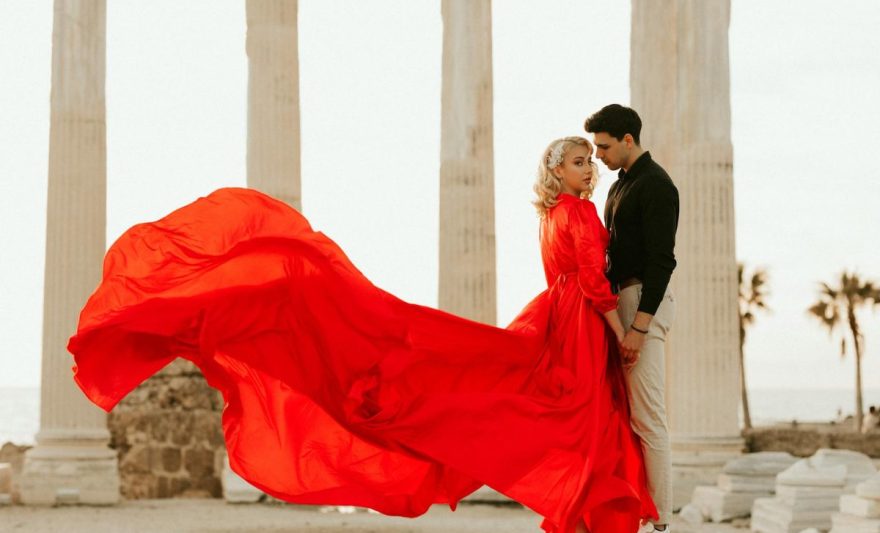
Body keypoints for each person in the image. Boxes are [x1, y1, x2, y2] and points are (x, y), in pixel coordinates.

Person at [68, 137, 656, 532]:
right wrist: (622, 332)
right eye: (581, 162)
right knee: (579, 415)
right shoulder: (578, 215)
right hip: (579, 322)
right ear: (558, 171)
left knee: (536, 406)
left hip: (553, 316)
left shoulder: (552, 215)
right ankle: (593, 514)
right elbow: (591, 283)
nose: (591, 170)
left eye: (592, 161)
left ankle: (582, 512)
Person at [585, 104, 679, 533]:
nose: (597, 156)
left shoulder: (658, 185)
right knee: (625, 416)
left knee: (648, 417)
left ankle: (662, 524)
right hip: (619, 299)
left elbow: (662, 262)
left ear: (628, 140)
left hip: (641, 300)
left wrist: (639, 326)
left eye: (603, 147)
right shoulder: (619, 185)